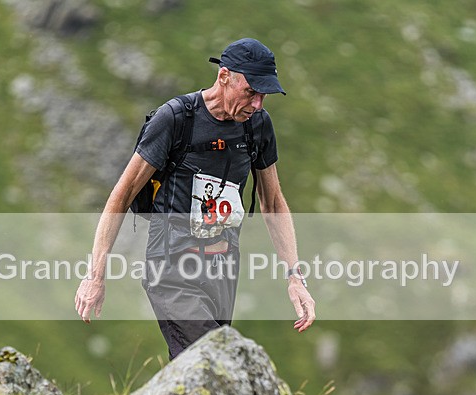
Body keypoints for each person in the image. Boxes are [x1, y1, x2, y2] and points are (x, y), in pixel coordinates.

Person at [75, 38, 315, 359]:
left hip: (223, 267)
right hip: (172, 267)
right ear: (224, 76)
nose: (258, 104)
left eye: (264, 95)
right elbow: (123, 193)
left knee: (199, 364)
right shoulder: (176, 119)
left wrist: (295, 278)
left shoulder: (257, 126)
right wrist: (95, 275)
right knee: (219, 356)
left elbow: (272, 203)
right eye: (251, 92)